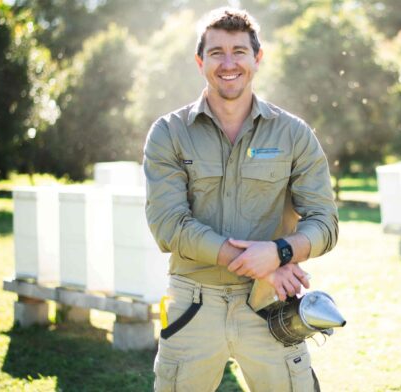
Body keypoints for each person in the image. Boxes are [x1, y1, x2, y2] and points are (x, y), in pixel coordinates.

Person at [142, 7, 338, 392]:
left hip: (270, 304)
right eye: (216, 53)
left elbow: (325, 223)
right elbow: (169, 226)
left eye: (239, 51)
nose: (228, 63)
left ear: (257, 59)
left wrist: (279, 253)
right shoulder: (168, 133)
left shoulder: (294, 134)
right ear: (200, 62)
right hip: (193, 305)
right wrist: (259, 263)